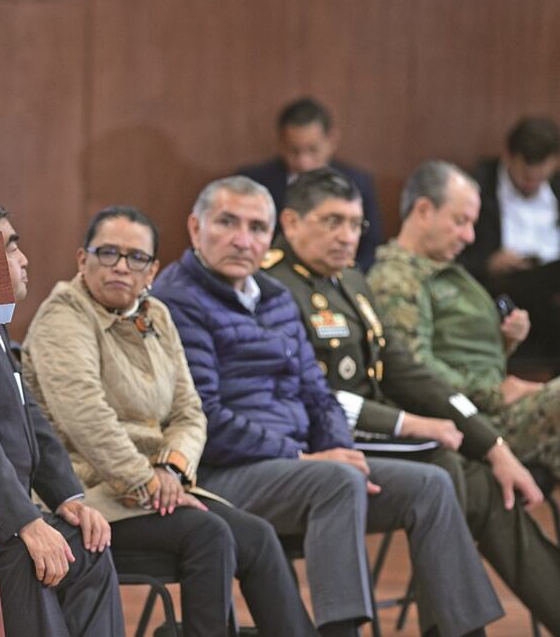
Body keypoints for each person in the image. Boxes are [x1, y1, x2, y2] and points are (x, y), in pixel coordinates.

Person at [152, 175, 502, 637]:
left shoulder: (275, 298)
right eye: (227, 223)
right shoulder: (176, 300)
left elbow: (320, 396)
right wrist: (306, 458)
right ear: (195, 229)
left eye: (257, 228)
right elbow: (206, 419)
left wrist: (343, 450)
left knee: (430, 485)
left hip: (300, 469)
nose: (243, 240)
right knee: (333, 480)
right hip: (221, 475)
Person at [268, 168, 560, 632]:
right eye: (332, 222)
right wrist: (408, 423)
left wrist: (491, 444)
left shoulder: (351, 283)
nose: (347, 237)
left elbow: (410, 372)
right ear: (291, 222)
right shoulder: (274, 287)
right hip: (321, 439)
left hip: (373, 428)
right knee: (439, 464)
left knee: (487, 484)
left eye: (355, 224)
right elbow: (312, 397)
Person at [22, 206, 317, 636]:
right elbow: (86, 417)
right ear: (83, 260)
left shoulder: (156, 314)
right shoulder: (63, 316)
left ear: (152, 271)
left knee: (257, 537)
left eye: (136, 257)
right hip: (89, 495)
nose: (122, 266)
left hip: (157, 488)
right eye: (108, 253)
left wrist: (172, 468)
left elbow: (189, 411)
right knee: (209, 535)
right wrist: (146, 483)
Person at [0, 199, 123, 637]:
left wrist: (70, 497)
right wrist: (24, 522)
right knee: (36, 558)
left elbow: (31, 418)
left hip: (14, 513)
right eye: (11, 248)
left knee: (89, 550)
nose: (24, 259)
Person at [368, 160, 560, 484]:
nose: (469, 236)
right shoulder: (395, 278)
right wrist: (495, 393)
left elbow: (460, 353)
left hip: (489, 409)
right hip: (470, 422)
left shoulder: (443, 268)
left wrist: (505, 342)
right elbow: (415, 372)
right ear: (424, 210)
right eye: (460, 221)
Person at [237, 96, 383, 270]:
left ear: (331, 141)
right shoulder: (255, 183)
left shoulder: (357, 183)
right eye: (294, 150)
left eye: (313, 150)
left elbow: (371, 249)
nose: (303, 162)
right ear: (281, 143)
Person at [459, 116, 560, 367]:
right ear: (507, 155)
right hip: (499, 289)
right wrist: (489, 262)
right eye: (526, 176)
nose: (531, 184)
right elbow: (453, 258)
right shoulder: (477, 186)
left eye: (540, 178)